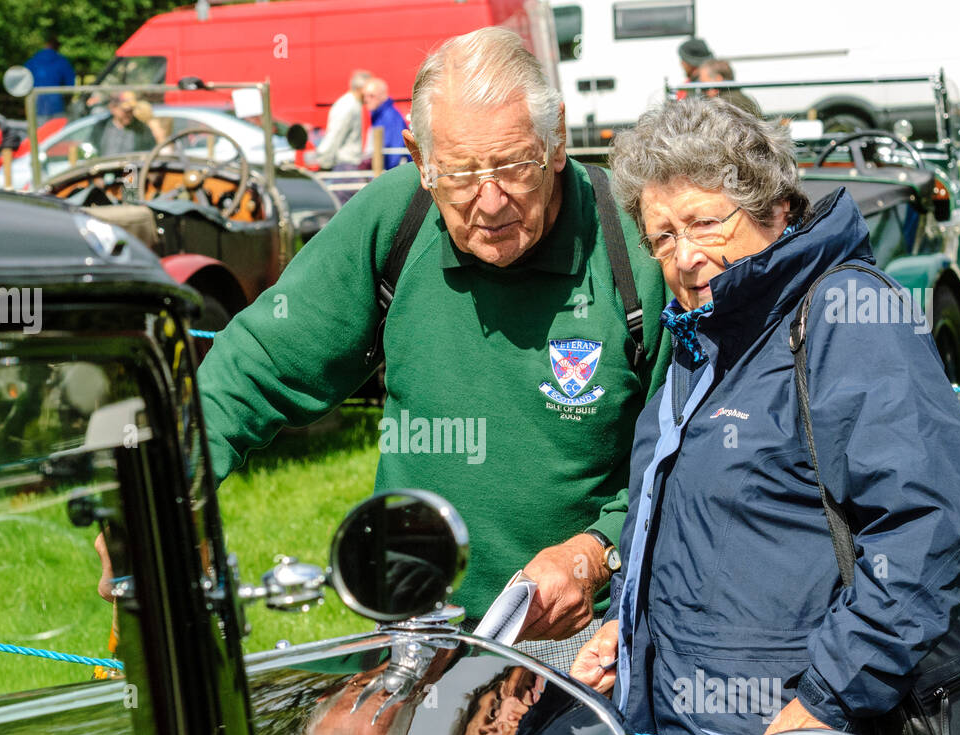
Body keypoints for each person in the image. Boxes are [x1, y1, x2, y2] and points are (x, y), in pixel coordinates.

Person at [569, 96, 960, 735]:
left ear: (773, 208)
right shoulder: (706, 338)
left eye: (706, 223)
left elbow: (937, 521)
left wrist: (823, 703)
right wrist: (629, 631)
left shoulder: (841, 313)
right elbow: (697, 522)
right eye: (663, 236)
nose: (684, 256)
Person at [195, 27, 671, 657]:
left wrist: (597, 551)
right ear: (419, 158)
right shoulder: (393, 220)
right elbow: (253, 364)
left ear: (556, 141)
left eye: (513, 166)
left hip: (585, 643)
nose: (491, 201)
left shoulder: (636, 247)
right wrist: (175, 489)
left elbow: (686, 455)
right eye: (461, 173)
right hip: (414, 628)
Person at [316, 69, 371, 170]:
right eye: (369, 90)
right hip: (344, 164)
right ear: (361, 89)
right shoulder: (347, 106)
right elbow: (335, 134)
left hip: (349, 163)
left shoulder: (354, 104)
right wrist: (324, 164)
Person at [24, 34, 77, 123]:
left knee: (39, 131)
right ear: (57, 48)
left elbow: (23, 80)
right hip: (56, 102)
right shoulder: (62, 61)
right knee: (56, 131)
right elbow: (70, 84)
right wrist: (68, 99)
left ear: (46, 44)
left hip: (36, 101)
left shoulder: (33, 60)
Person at [361, 77, 410, 170]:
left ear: (383, 96)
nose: (366, 99)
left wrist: (388, 174)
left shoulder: (391, 116)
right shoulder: (377, 115)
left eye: (371, 96)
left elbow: (395, 151)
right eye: (364, 96)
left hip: (392, 171)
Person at [89, 92, 156, 157]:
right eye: (126, 111)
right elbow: (91, 150)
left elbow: (150, 153)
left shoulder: (142, 130)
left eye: (131, 110)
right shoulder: (101, 127)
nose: (129, 114)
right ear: (113, 108)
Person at [697, 59, 762, 118]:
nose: (702, 92)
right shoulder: (745, 99)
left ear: (717, 80)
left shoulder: (720, 105)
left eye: (704, 87)